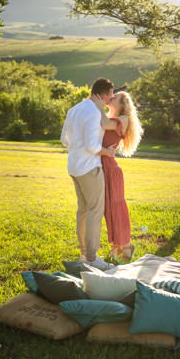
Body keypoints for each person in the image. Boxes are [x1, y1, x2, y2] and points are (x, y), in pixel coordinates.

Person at [62, 78, 116, 272]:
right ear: (102, 96)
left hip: (74, 168)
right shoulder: (94, 113)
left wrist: (77, 150)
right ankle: (92, 258)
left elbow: (64, 139)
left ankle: (84, 255)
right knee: (94, 211)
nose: (111, 98)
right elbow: (92, 146)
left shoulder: (74, 109)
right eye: (110, 95)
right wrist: (108, 152)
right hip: (89, 169)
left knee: (83, 211)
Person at [99, 90, 144, 262]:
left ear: (122, 104)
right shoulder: (110, 115)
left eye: (114, 97)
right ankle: (117, 245)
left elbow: (102, 123)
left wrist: (97, 102)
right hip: (102, 166)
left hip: (111, 169)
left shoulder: (123, 120)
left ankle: (125, 244)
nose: (110, 97)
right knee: (107, 209)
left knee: (116, 207)